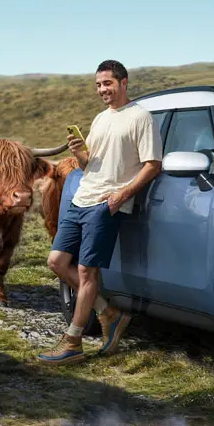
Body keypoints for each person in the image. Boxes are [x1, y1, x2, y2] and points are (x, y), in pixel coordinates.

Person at [39, 60, 162, 364]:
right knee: (56, 261)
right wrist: (79, 151)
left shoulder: (141, 117)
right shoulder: (99, 119)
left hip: (107, 202)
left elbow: (153, 165)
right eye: (98, 85)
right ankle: (109, 312)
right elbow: (88, 164)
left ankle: (73, 341)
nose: (102, 90)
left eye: (107, 83)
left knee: (86, 271)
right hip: (82, 197)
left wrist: (121, 195)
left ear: (123, 82)